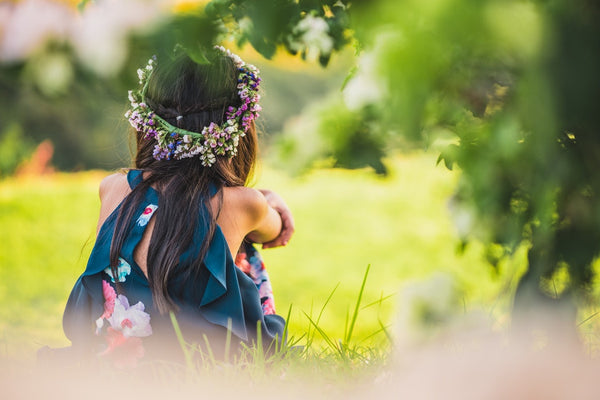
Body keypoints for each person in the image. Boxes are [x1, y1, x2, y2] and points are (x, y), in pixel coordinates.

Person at [61, 46, 294, 367]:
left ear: (146, 126)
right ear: (238, 131)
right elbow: (276, 229)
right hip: (198, 363)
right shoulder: (244, 203)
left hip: (118, 359)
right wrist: (270, 199)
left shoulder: (112, 188)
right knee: (246, 254)